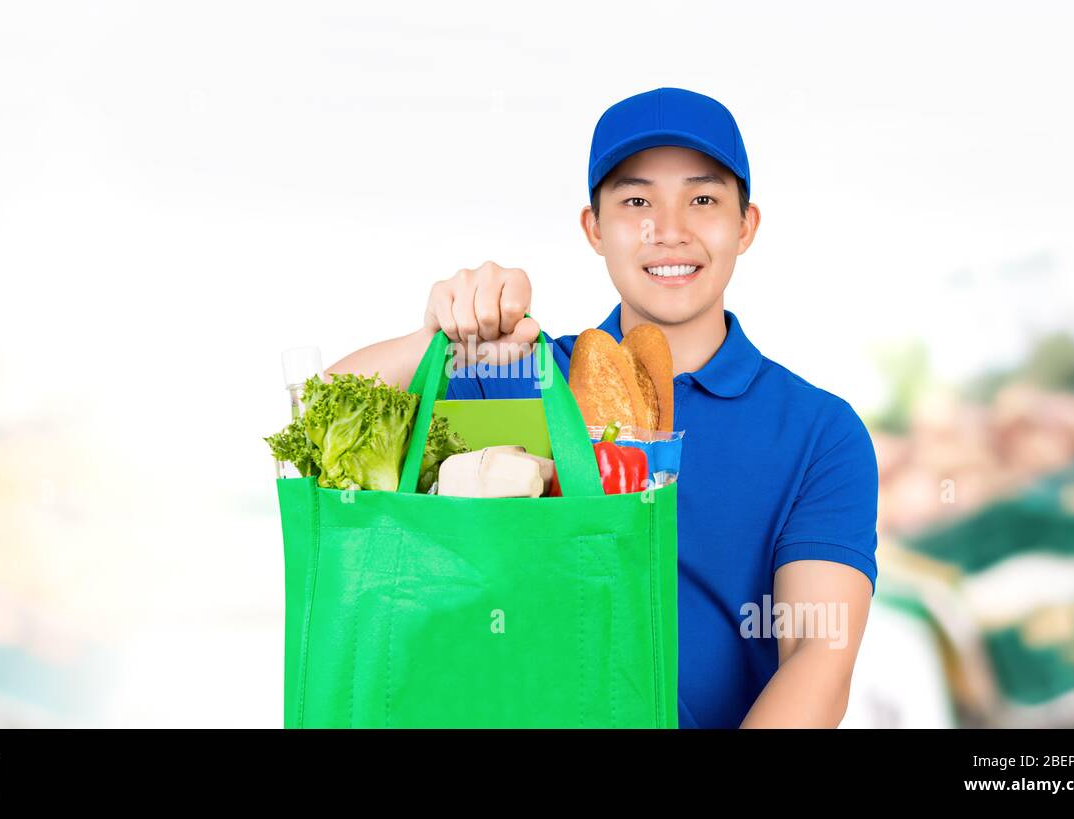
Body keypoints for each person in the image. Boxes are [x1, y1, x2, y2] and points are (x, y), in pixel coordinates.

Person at [326, 87, 878, 728]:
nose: (668, 230)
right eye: (636, 200)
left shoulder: (818, 433)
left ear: (745, 225)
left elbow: (819, 659)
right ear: (594, 228)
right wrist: (435, 339)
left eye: (702, 199)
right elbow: (320, 428)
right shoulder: (520, 374)